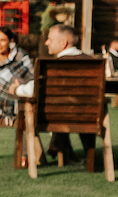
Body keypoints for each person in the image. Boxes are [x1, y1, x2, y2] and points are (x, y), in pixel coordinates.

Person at [15, 23, 94, 163]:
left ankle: (28, 155)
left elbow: (35, 89)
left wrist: (16, 89)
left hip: (54, 117)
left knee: (27, 103)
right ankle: (84, 156)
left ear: (63, 43)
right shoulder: (93, 63)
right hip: (89, 116)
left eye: (50, 39)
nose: (46, 42)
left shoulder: (54, 65)